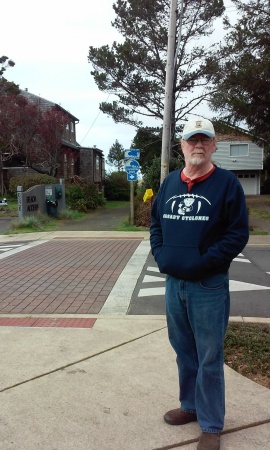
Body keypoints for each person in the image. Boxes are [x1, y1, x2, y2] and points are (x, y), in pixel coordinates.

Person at [150, 118, 249, 450]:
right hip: (173, 283)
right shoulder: (169, 184)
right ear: (182, 146)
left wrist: (204, 262)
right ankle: (189, 407)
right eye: (192, 140)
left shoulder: (227, 184)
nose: (198, 146)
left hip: (208, 286)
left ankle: (210, 424)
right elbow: (156, 224)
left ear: (214, 145)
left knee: (209, 354)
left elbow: (237, 234)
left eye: (205, 140)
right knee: (183, 350)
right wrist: (162, 256)